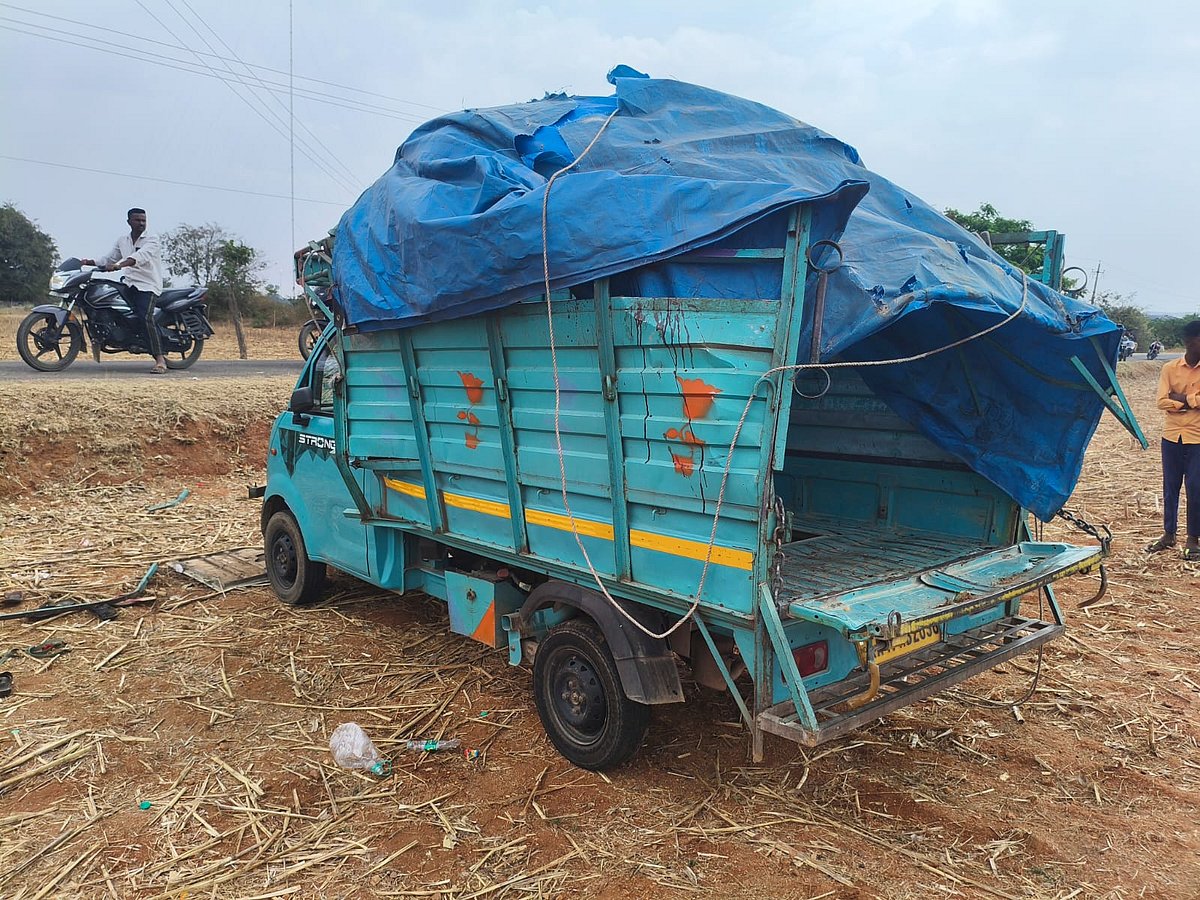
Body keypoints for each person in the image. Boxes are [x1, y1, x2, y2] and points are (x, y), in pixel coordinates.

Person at [81, 208, 168, 373]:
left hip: (148, 286)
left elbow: (139, 257)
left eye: (143, 220)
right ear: (129, 221)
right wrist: (87, 262)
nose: (141, 223)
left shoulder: (152, 239)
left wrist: (119, 265)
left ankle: (160, 359)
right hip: (129, 283)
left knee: (145, 318)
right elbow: (108, 259)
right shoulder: (123, 240)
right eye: (137, 220)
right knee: (109, 305)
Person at [1146, 319, 1200, 559]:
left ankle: (1192, 539)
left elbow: (1171, 401)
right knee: (1171, 487)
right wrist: (1192, 401)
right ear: (1189, 341)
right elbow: (1161, 401)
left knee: (1196, 488)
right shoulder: (1169, 368)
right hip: (1172, 438)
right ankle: (1169, 534)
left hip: (1197, 439)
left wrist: (1181, 399)